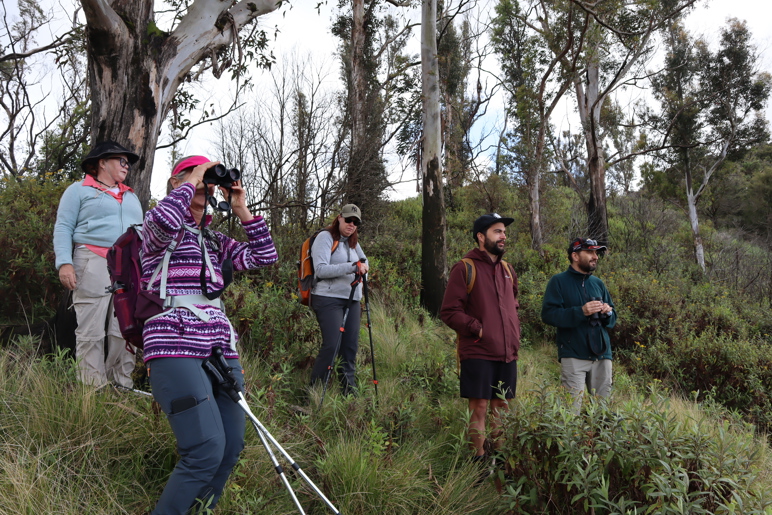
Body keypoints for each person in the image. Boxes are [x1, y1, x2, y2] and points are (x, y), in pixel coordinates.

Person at [141, 155, 278, 514]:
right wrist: (194, 179)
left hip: (219, 347)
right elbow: (165, 221)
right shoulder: (158, 231)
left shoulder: (216, 241)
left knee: (230, 448)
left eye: (206, 184)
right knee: (204, 450)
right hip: (173, 343)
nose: (203, 185)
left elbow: (266, 256)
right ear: (176, 184)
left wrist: (242, 209)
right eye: (194, 177)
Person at [53, 140, 143, 388]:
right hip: (92, 260)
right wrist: (64, 263)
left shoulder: (131, 196)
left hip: (128, 267)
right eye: (121, 161)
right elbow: (63, 227)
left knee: (125, 327)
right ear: (102, 162)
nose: (127, 166)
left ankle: (121, 384)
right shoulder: (79, 190)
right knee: (91, 328)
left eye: (128, 163)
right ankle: (92, 388)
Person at [440, 213, 521, 468]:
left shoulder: (508, 269)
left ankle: (498, 462)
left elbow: (513, 304)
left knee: (502, 407)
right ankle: (478, 465)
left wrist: (511, 332)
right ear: (480, 236)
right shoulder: (465, 267)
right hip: (478, 351)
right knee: (480, 408)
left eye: (504, 232)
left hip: (507, 352)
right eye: (497, 231)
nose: (503, 236)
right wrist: (478, 329)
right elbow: (449, 311)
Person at [541, 238, 617, 414]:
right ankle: (570, 441)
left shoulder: (598, 283)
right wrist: (581, 311)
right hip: (573, 354)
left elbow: (613, 319)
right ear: (575, 256)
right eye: (590, 252)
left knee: (603, 412)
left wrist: (608, 312)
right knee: (570, 412)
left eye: (596, 253)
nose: (595, 257)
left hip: (602, 355)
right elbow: (548, 315)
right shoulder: (558, 281)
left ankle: (598, 440)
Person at [308, 204, 369, 396]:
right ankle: (315, 391)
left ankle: (348, 392)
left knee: (350, 347)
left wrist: (363, 267)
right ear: (339, 218)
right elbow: (321, 270)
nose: (351, 224)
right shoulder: (325, 238)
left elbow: (364, 261)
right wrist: (352, 267)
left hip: (352, 299)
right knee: (332, 345)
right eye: (349, 220)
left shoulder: (353, 242)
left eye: (356, 222)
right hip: (327, 298)